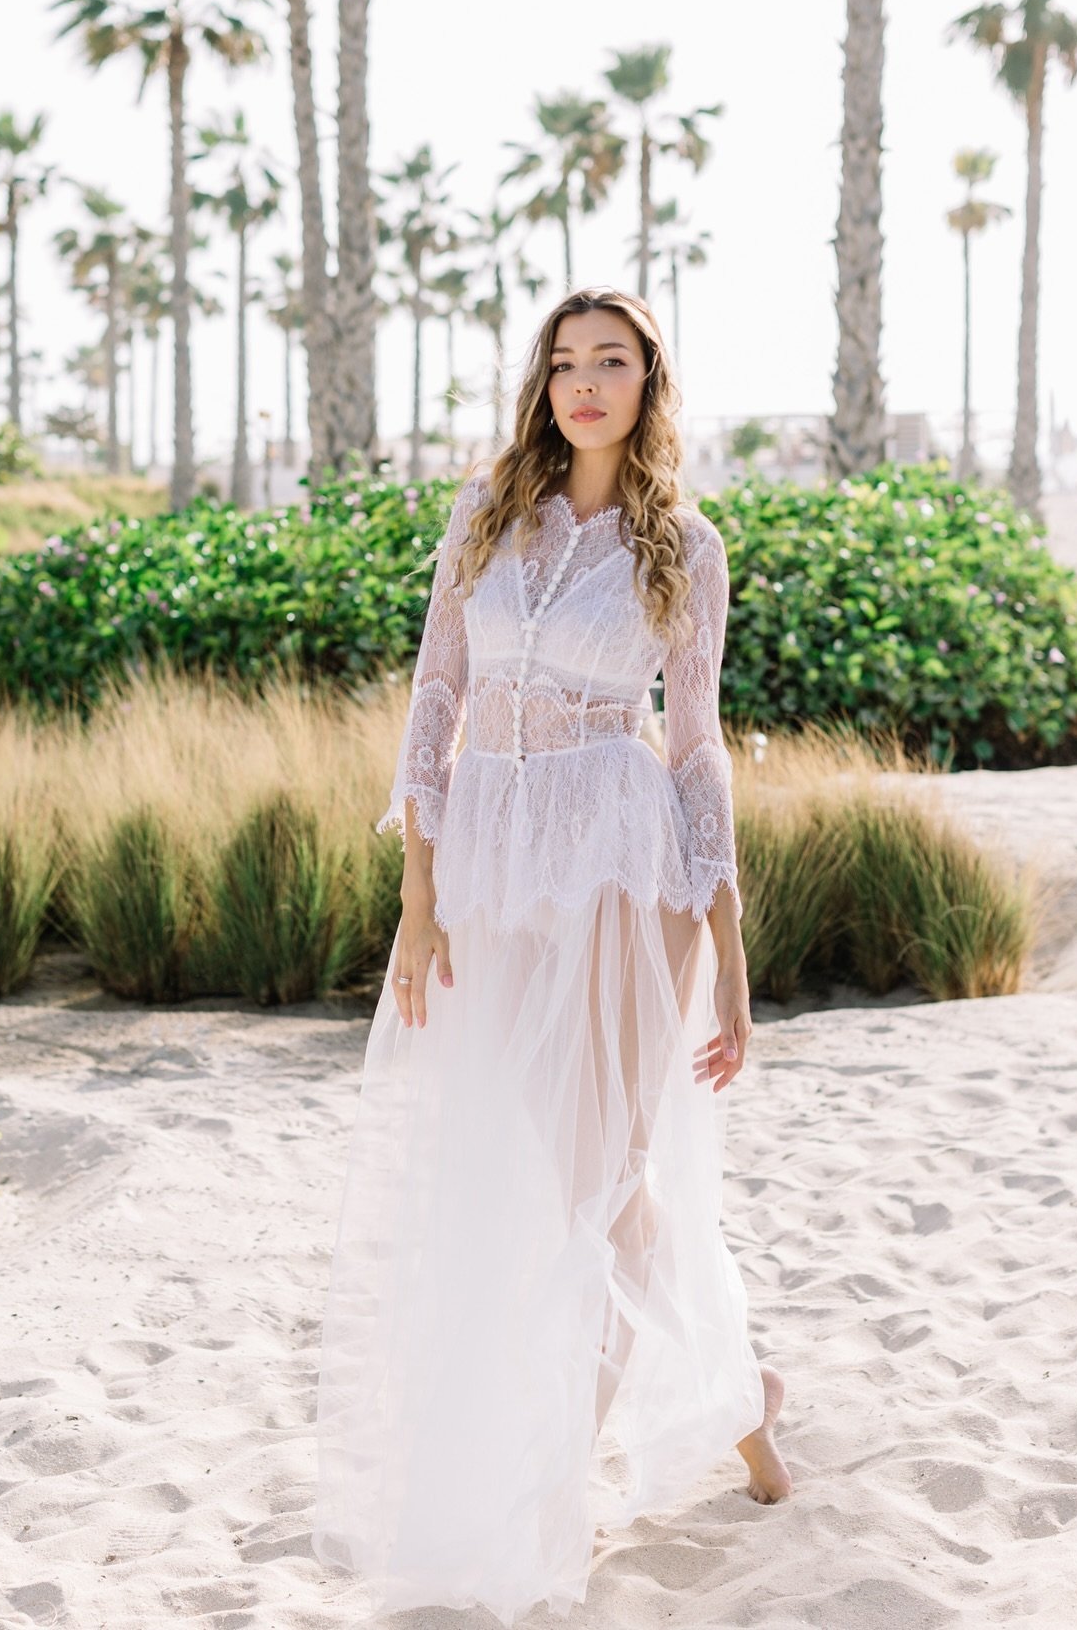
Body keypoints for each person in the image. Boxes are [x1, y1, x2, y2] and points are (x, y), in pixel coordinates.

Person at [313, 285, 790, 1625]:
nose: (586, 382)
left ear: (650, 383)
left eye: (613, 362)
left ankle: (551, 1495)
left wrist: (731, 943)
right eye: (566, 361)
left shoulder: (682, 548)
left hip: (621, 864)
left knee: (602, 1172)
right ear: (544, 382)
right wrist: (419, 894)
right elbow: (436, 695)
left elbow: (694, 746)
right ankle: (744, 1402)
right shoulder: (485, 517)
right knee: (564, 1166)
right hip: (489, 861)